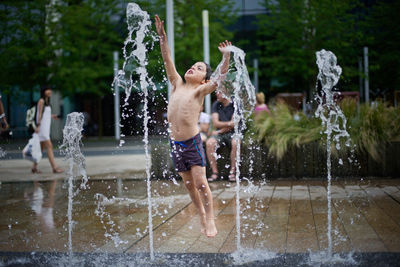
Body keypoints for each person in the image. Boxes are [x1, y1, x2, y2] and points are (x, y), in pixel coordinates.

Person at [155, 15, 231, 237]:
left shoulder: (199, 91)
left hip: (192, 142)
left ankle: (210, 218)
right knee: (188, 185)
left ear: (204, 80)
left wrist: (225, 57)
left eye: (198, 68)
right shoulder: (177, 84)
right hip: (175, 143)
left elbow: (220, 77)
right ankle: (200, 214)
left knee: (200, 182)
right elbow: (167, 59)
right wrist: (162, 38)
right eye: (192, 65)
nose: (192, 68)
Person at [206, 91, 239, 182]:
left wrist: (221, 129)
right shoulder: (216, 104)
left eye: (219, 92)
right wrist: (228, 124)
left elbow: (234, 125)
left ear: (226, 93)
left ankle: (232, 172)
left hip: (234, 133)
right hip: (220, 134)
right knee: (210, 143)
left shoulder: (235, 104)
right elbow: (216, 123)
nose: (217, 94)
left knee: (236, 143)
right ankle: (215, 172)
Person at [31, 86, 64, 174]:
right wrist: (38, 126)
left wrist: (53, 116)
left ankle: (34, 167)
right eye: (47, 90)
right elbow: (39, 114)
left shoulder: (47, 102)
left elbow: (45, 114)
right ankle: (54, 168)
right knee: (49, 146)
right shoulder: (41, 101)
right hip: (42, 128)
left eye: (50, 90)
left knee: (41, 149)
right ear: (44, 91)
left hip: (45, 127)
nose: (49, 91)